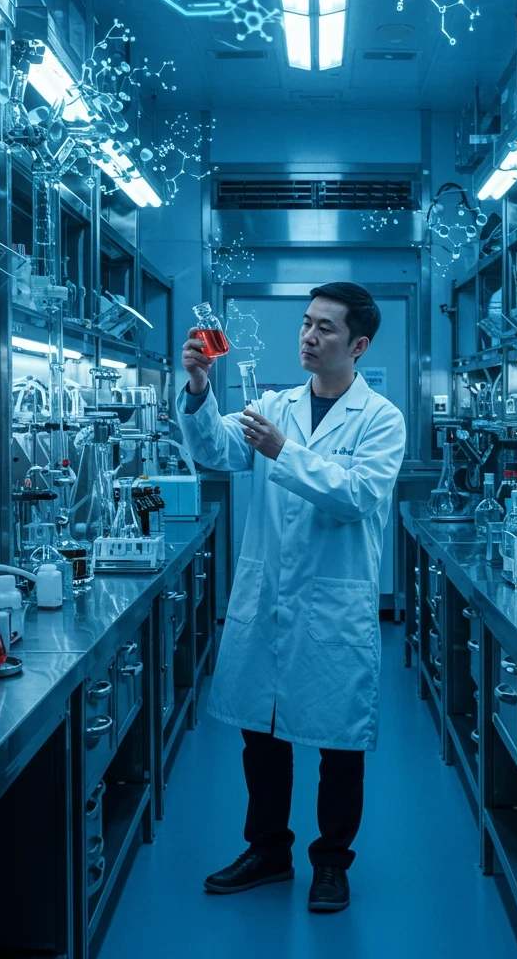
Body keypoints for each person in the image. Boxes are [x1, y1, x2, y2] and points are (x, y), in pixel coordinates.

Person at [177, 282, 406, 913]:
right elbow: (217, 451)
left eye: (325, 328)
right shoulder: (274, 403)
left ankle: (331, 863)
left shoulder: (382, 419)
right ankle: (268, 850)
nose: (308, 336)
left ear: (358, 345)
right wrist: (198, 390)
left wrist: (284, 453)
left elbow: (357, 495)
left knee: (340, 744)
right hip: (270, 595)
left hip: (335, 600)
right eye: (306, 324)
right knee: (263, 735)